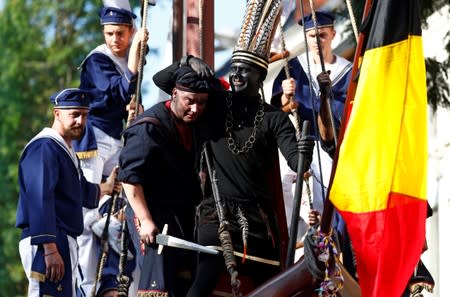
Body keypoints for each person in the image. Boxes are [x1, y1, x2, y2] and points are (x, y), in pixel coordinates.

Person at [118, 63, 218, 297]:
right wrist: (145, 220)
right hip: (150, 214)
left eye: (202, 102)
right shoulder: (148, 128)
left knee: (182, 283)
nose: (195, 108)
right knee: (158, 286)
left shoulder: (192, 125)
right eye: (189, 101)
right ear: (174, 94)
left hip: (178, 214)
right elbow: (129, 179)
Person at [73, 0, 149, 295]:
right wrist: (134, 60)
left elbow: (129, 98)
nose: (115, 40)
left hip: (118, 139)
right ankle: (86, 285)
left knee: (121, 199)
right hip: (95, 142)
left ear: (131, 32)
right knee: (88, 210)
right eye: (109, 34)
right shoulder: (97, 60)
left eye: (120, 33)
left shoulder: (132, 58)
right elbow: (115, 94)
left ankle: (113, 279)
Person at [16, 88, 118, 297]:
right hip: (46, 240)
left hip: (60, 239)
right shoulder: (44, 146)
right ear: (57, 114)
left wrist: (106, 187)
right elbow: (40, 198)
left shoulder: (64, 149)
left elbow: (77, 190)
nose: (80, 121)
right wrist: (50, 248)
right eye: (74, 114)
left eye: (84, 115)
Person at [271, 11, 353, 252]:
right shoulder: (295, 68)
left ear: (333, 35)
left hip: (333, 148)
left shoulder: (347, 71)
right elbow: (280, 108)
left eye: (322, 35)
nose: (317, 41)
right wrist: (286, 94)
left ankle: (329, 244)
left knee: (328, 194)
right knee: (284, 188)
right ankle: (285, 240)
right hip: (300, 143)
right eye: (312, 36)